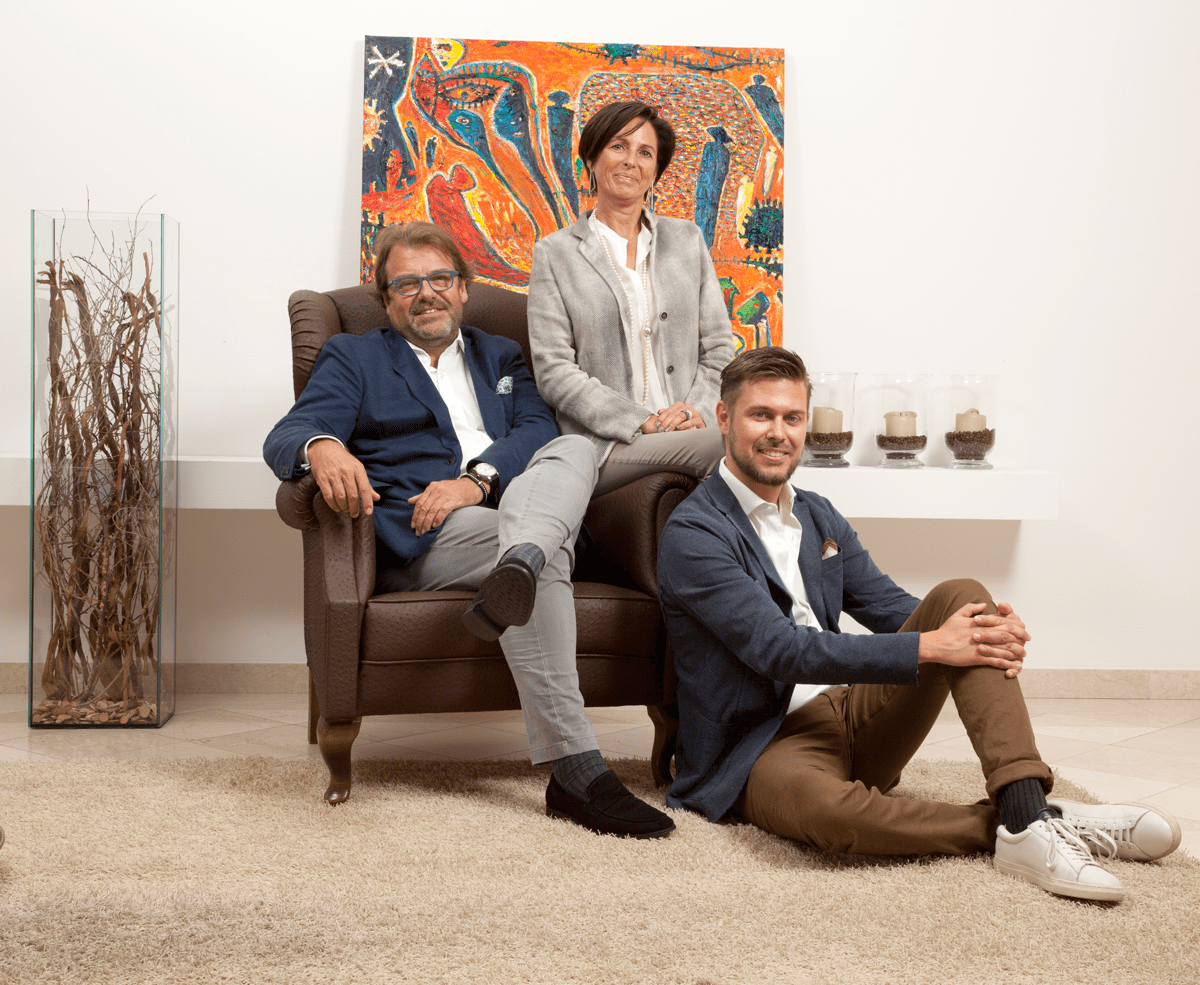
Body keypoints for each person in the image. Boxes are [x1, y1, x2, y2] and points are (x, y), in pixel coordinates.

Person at [657, 347, 1180, 901]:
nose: (778, 433)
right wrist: (932, 646)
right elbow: (779, 649)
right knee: (830, 816)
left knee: (964, 600)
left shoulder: (816, 512)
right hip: (761, 743)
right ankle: (1028, 822)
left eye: (792, 417)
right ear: (724, 418)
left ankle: (1023, 801)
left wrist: (982, 627)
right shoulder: (695, 532)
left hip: (850, 713)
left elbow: (889, 606)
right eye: (761, 415)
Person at [263, 220, 674, 839]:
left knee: (572, 449)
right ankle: (575, 767)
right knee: (544, 551)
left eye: (439, 278)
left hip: (515, 507)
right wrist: (321, 446)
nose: (425, 293)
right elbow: (288, 433)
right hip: (427, 535)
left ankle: (524, 557)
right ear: (386, 300)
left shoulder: (501, 354)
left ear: (462, 288)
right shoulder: (355, 356)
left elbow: (536, 430)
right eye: (407, 284)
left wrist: (475, 482)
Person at [527, 100, 735, 498]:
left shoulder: (687, 240)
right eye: (618, 146)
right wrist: (642, 421)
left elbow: (719, 348)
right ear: (592, 158)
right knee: (741, 443)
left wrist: (696, 410)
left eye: (645, 153)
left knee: (743, 440)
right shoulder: (555, 253)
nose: (630, 161)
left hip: (689, 430)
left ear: (655, 171)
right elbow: (554, 372)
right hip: (608, 445)